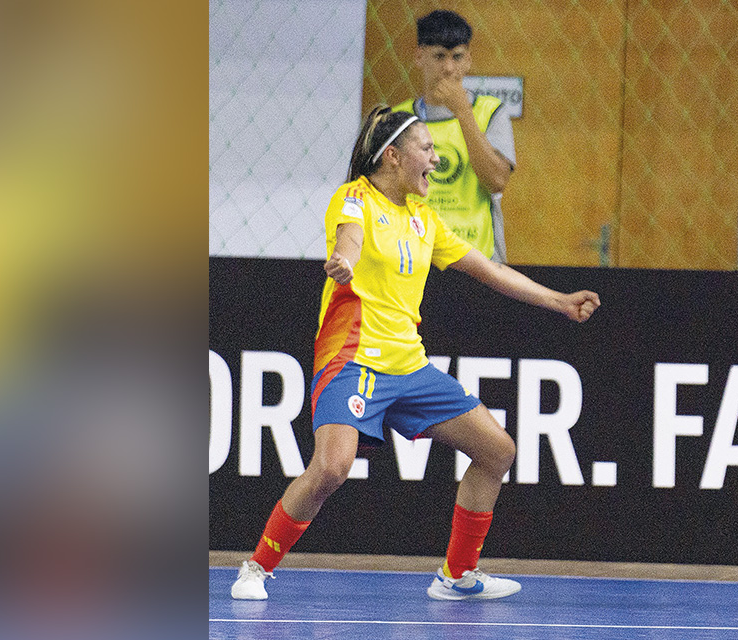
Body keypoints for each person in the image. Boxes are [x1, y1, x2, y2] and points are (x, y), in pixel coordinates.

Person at [230, 105, 600, 602]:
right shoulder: (355, 199)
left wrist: (558, 300)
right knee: (333, 466)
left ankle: (456, 575)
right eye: (426, 149)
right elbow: (350, 239)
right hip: (354, 361)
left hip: (411, 367)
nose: (435, 160)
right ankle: (256, 567)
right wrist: (344, 262)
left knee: (498, 451)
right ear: (393, 156)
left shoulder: (425, 219)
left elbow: (488, 270)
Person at [394, 9, 514, 262]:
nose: (448, 68)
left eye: (457, 57)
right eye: (439, 56)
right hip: (413, 256)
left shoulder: (490, 112)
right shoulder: (398, 118)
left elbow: (496, 181)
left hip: (478, 260)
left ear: (468, 60)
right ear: (419, 57)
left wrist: (462, 112)